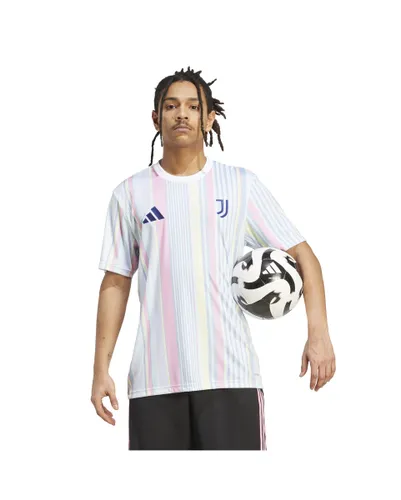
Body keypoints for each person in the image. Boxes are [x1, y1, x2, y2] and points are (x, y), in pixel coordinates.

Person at [91, 66, 336, 450]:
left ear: (209, 119)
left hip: (231, 379)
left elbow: (304, 255)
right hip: (155, 383)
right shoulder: (130, 193)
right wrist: (100, 369)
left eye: (193, 106)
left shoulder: (240, 185)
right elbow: (116, 281)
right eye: (171, 106)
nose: (182, 114)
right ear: (156, 118)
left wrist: (318, 334)